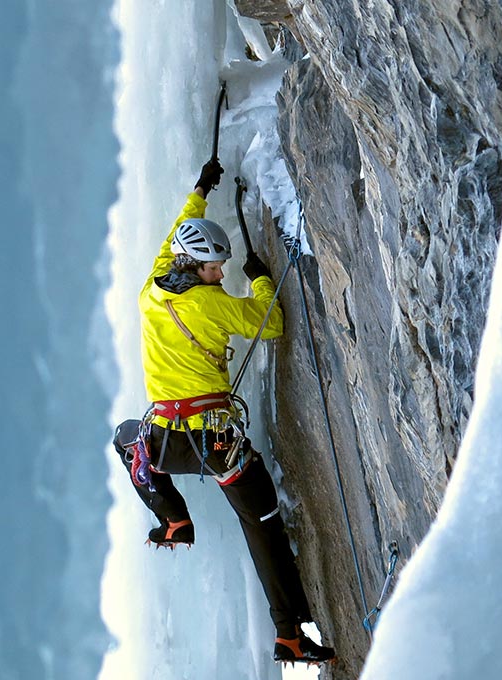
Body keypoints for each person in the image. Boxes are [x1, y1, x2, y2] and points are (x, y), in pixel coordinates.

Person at [112, 158, 337, 666]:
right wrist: (259, 280)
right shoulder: (213, 305)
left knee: (125, 438)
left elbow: (175, 233)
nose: (221, 273)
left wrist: (199, 191)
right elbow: (271, 324)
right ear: (194, 267)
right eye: (215, 268)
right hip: (218, 447)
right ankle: (290, 635)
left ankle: (172, 519)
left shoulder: (152, 288)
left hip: (165, 442)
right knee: (263, 527)